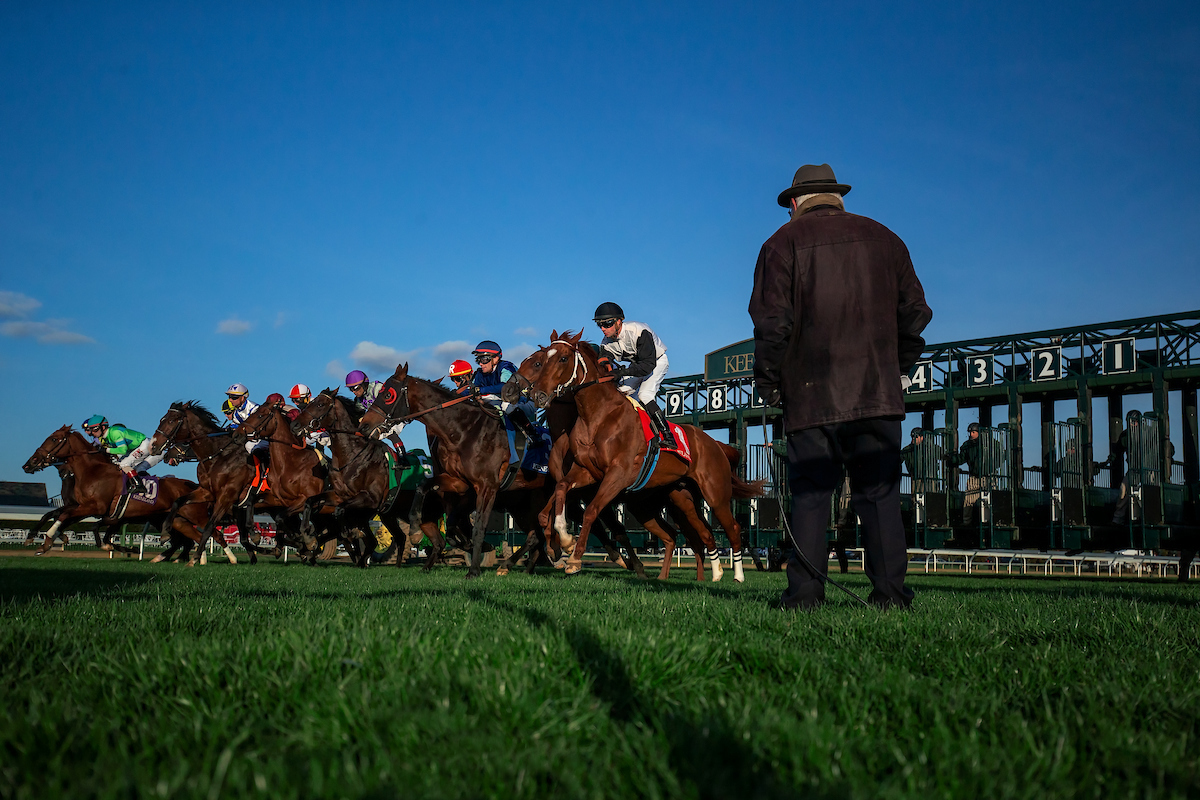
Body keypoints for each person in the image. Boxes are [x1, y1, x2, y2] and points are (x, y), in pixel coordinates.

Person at [749, 163, 932, 610]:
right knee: (880, 496)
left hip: (811, 394)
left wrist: (770, 382)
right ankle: (891, 597)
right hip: (877, 391)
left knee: (812, 497)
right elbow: (916, 313)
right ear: (837, 196)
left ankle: (806, 597)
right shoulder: (886, 238)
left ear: (794, 202)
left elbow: (773, 323)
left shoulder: (780, 243)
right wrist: (897, 367)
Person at [593, 302, 677, 449]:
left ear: (619, 321)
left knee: (645, 396)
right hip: (637, 366)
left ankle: (668, 436)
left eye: (607, 324)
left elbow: (647, 366)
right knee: (621, 393)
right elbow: (605, 360)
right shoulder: (606, 342)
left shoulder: (639, 331)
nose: (603, 328)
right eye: (600, 324)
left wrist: (622, 372)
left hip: (656, 362)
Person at [471, 341, 551, 450]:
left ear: (495, 359)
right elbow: (472, 390)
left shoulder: (506, 367)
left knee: (506, 406)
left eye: (484, 360)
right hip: (500, 400)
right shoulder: (480, 373)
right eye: (478, 360)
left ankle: (532, 434)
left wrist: (481, 390)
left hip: (523, 401)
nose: (480, 363)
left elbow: (505, 387)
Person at [81, 414, 164, 494]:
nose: (92, 433)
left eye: (94, 430)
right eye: (90, 430)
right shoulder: (105, 437)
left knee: (124, 464)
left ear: (103, 427)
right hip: (135, 447)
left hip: (144, 445)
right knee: (118, 465)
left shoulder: (115, 432)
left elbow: (122, 450)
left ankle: (139, 486)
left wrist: (106, 450)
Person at [347, 370, 406, 455]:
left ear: (364, 384)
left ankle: (402, 456)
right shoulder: (359, 400)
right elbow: (359, 413)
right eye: (351, 389)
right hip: (379, 418)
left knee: (389, 432)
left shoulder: (377, 388)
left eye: (356, 388)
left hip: (393, 413)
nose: (353, 391)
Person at [225, 383, 269, 460]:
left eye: (234, 397)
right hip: (251, 439)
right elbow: (236, 424)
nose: (230, 400)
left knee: (249, 445)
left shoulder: (254, 409)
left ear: (243, 398)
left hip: (263, 440)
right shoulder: (236, 413)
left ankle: (263, 469)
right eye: (229, 397)